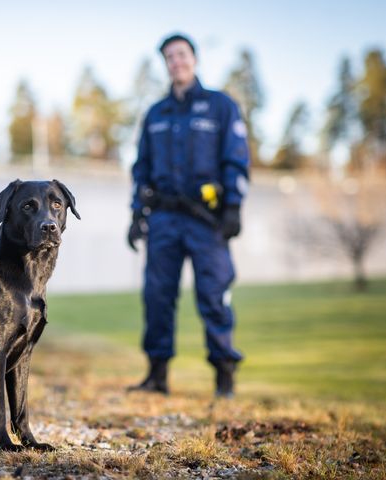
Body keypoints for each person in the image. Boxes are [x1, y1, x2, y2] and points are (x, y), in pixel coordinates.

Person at [127, 33, 249, 398]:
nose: (176, 61)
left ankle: (224, 378)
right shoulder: (155, 114)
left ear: (194, 59)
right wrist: (136, 215)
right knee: (157, 295)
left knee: (213, 294)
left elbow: (237, 159)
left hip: (206, 220)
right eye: (169, 57)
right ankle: (157, 376)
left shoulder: (220, 107)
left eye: (181, 54)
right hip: (163, 219)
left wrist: (234, 207)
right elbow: (141, 167)